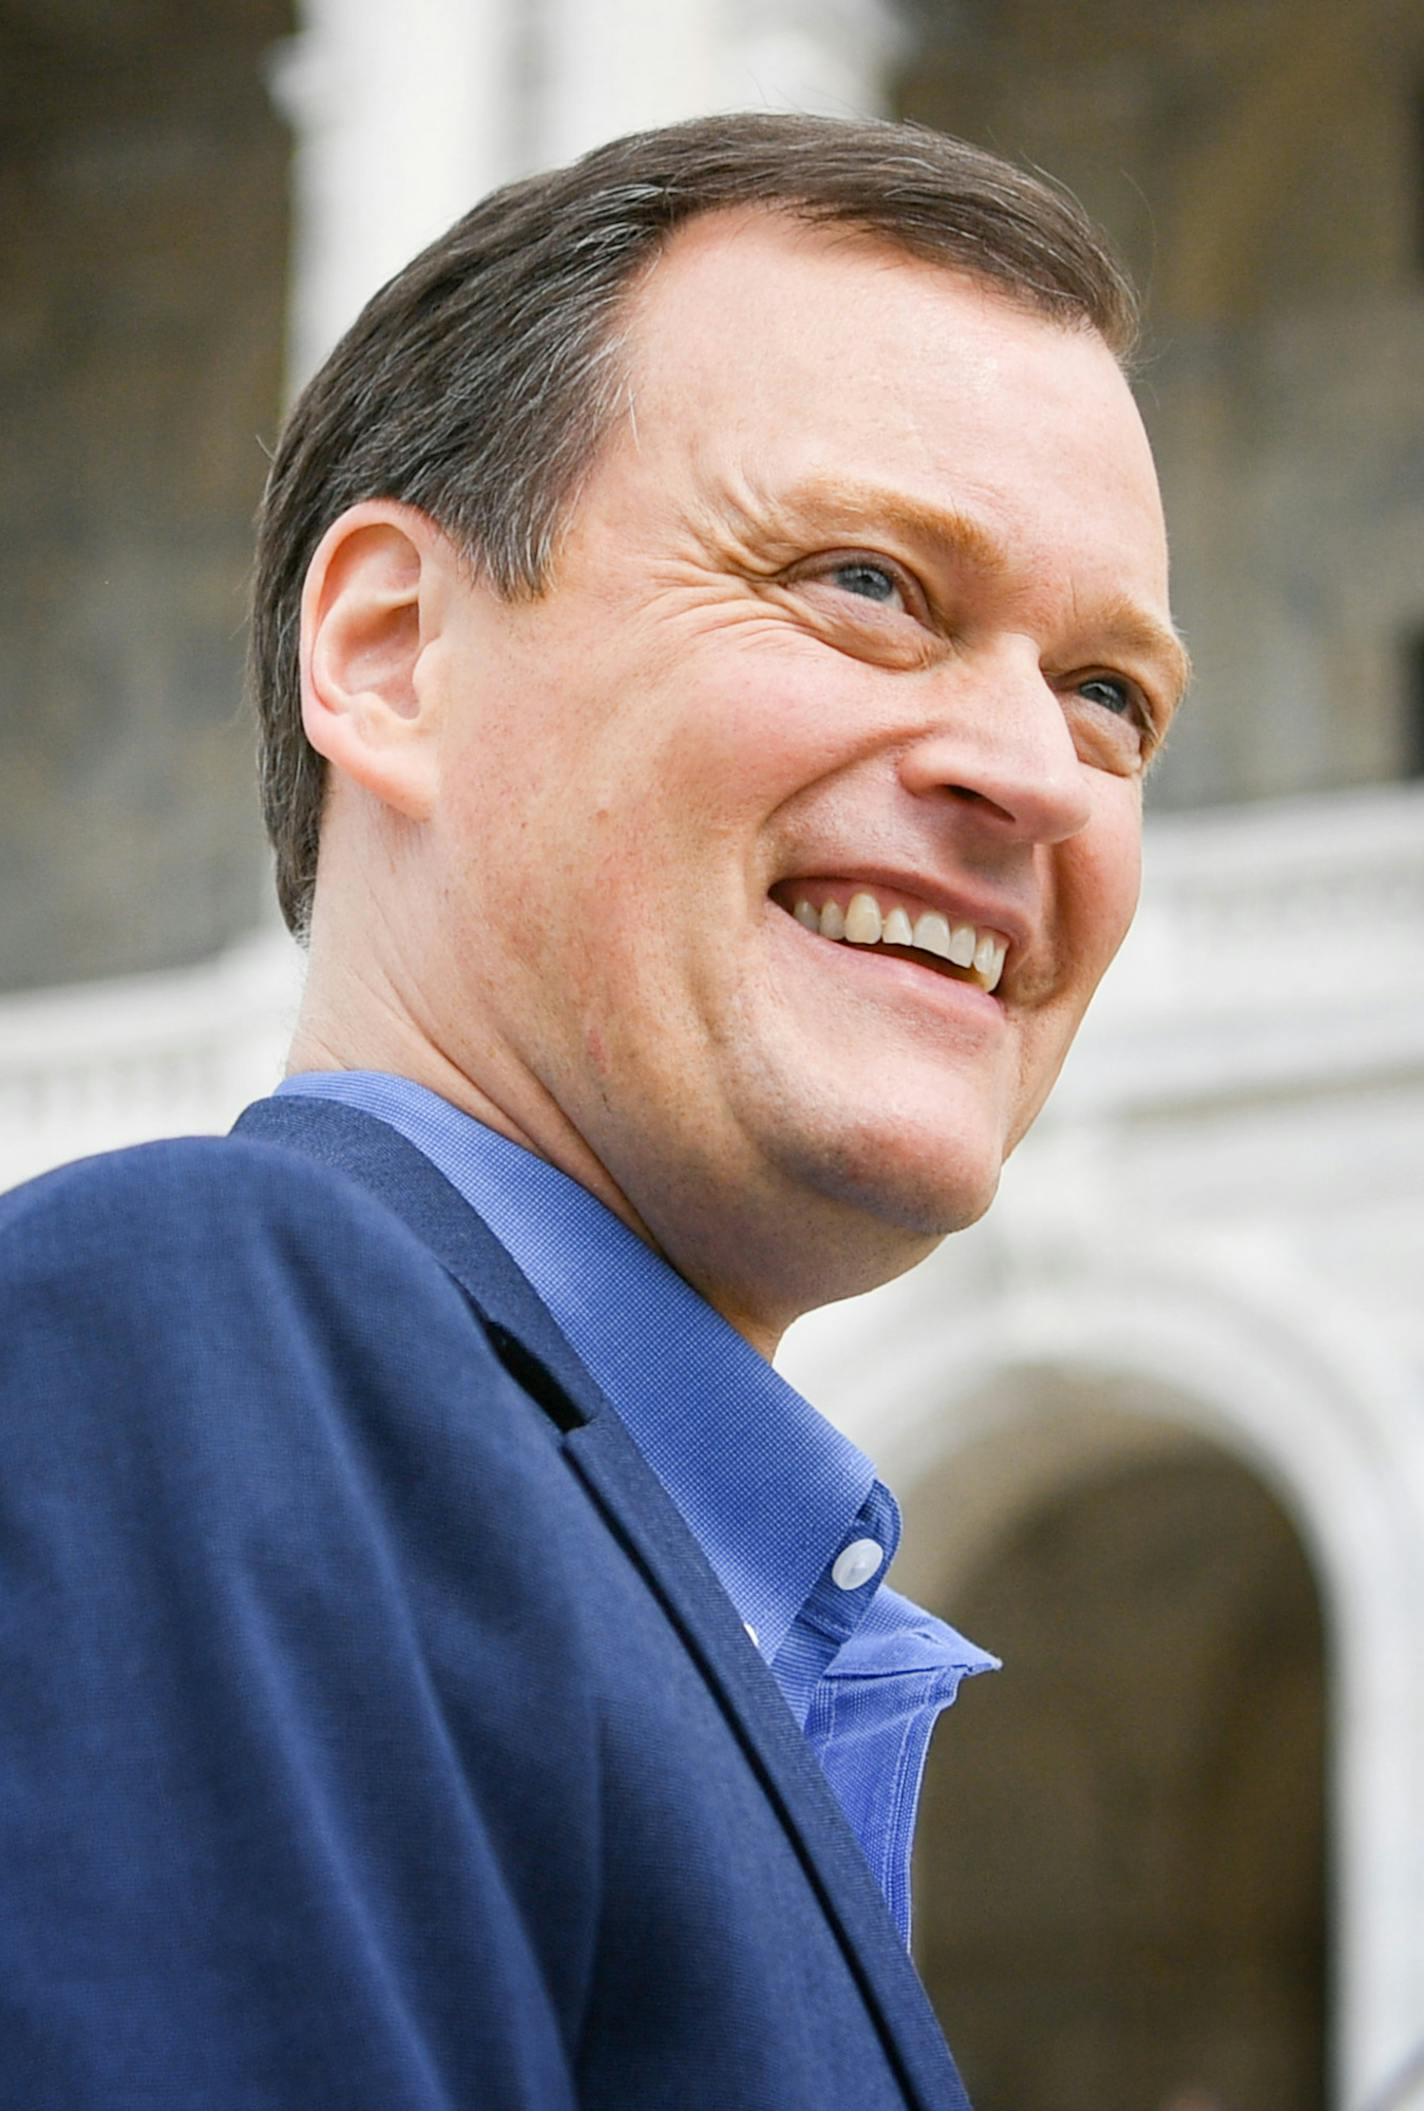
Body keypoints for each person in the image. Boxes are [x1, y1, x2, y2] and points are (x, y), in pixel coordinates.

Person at [0, 112, 1189, 2108]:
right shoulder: (196, 1336)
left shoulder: (693, 1593)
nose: (1032, 774)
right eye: (868, 583)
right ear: (389, 655)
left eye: (1109, 700)